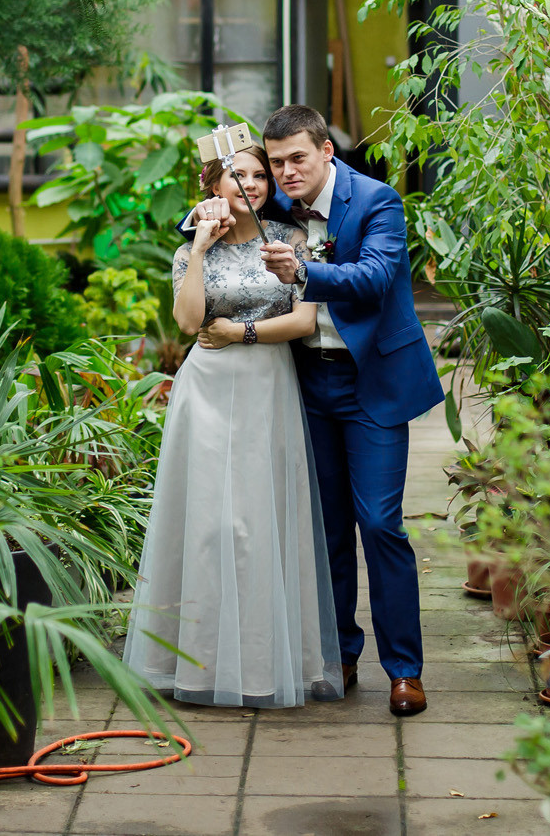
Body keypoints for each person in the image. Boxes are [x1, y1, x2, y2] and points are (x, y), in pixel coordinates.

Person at [185, 104, 444, 717]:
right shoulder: (274, 206)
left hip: (371, 383)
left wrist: (304, 270)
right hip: (304, 383)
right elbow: (219, 203)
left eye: (296, 158)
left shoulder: (378, 201)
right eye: (275, 164)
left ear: (327, 150)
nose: (284, 173)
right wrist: (201, 213)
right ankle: (339, 653)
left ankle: (404, 669)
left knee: (380, 524)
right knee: (325, 528)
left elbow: (376, 278)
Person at [122, 139, 344, 708]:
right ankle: (198, 664)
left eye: (259, 176)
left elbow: (302, 319)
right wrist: (197, 248)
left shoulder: (290, 241)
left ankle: (265, 665)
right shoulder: (189, 248)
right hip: (207, 389)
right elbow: (190, 320)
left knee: (260, 524)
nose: (250, 185)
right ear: (213, 187)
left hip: (267, 385)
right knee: (208, 524)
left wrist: (242, 332)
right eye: (235, 175)